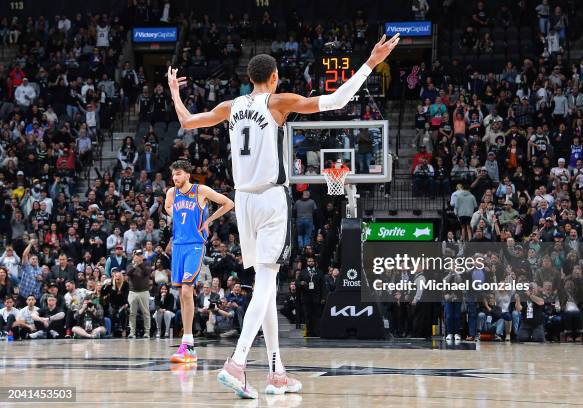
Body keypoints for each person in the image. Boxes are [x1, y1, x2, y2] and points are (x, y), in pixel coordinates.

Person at [167, 33, 399, 398]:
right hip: (271, 199)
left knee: (266, 282)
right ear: (273, 77)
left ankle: (277, 372)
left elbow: (186, 120)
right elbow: (337, 100)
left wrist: (174, 91)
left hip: (242, 200)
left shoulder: (231, 106)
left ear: (249, 78)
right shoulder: (278, 103)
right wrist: (371, 62)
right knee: (267, 281)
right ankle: (237, 362)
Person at [164, 160, 234, 362]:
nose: (175, 178)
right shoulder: (171, 193)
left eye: (178, 174)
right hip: (178, 246)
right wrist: (177, 214)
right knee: (182, 294)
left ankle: (187, 344)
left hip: (195, 244)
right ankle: (189, 346)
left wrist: (208, 220)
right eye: (173, 175)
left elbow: (229, 203)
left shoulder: (200, 190)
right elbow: (168, 207)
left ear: (187, 174)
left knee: (187, 290)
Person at [126, 249, 152, 338]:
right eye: (137, 254)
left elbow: (147, 273)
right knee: (132, 313)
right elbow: (128, 273)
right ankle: (132, 332)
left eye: (140, 254)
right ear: (133, 255)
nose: (139, 256)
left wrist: (140, 264)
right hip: (132, 292)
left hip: (144, 292)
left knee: (146, 313)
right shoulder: (130, 265)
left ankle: (147, 332)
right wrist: (135, 264)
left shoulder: (147, 264)